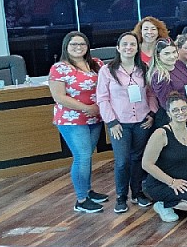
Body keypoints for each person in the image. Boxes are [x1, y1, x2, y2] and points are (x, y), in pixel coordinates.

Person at [97, 31, 156, 213]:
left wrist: (152, 113)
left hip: (141, 121)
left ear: (137, 48)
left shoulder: (144, 68)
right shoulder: (107, 70)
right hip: (119, 123)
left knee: (138, 158)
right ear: (118, 48)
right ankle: (121, 197)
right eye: (125, 45)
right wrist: (112, 122)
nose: (129, 48)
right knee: (122, 161)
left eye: (132, 44)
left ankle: (137, 193)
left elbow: (150, 93)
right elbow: (102, 98)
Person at [50, 32, 106, 213]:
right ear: (66, 47)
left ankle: (88, 191)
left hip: (95, 118)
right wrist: (86, 108)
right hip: (71, 119)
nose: (78, 47)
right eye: (73, 44)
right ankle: (81, 200)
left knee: (87, 155)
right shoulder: (59, 68)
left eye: (82, 44)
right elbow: (59, 96)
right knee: (82, 157)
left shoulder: (96, 63)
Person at [141, 93, 187, 223]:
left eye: (183, 108)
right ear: (169, 113)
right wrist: (172, 182)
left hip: (185, 181)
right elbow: (146, 164)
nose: (180, 112)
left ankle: (177, 202)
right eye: (175, 110)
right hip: (162, 183)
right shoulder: (161, 134)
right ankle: (162, 205)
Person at [148, 40, 187, 124]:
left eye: (174, 52)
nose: (172, 56)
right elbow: (166, 104)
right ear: (158, 56)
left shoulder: (179, 64)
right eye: (167, 54)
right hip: (174, 117)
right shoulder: (159, 76)